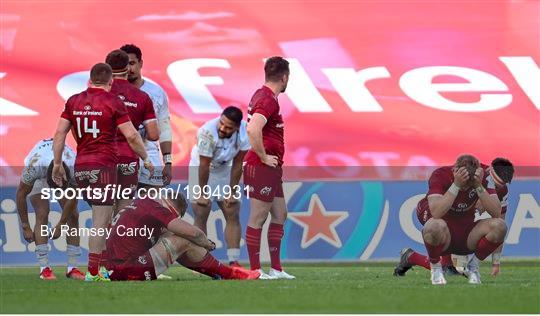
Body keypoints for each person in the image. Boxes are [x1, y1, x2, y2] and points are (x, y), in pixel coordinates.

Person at [52, 62, 154, 281]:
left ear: (90, 79)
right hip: (104, 167)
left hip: (81, 167)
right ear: (110, 82)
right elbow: (133, 135)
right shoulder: (113, 101)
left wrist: (58, 164)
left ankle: (104, 267)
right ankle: (94, 272)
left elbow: (59, 134)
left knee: (101, 219)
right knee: (101, 222)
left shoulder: (73, 101)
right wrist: (145, 158)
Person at [394, 157, 514, 278]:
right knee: (440, 225)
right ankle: (438, 263)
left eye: (498, 187)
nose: (494, 188)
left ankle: (412, 257)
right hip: (432, 210)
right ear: (488, 171)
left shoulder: (500, 189)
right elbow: (438, 211)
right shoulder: (465, 173)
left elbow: (500, 220)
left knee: (491, 224)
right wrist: (460, 186)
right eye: (493, 184)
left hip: (462, 214)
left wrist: (496, 262)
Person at [105, 194, 260, 281]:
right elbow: (194, 233)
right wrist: (207, 244)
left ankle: (219, 273)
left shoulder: (143, 202)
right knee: (184, 239)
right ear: (175, 211)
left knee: (178, 240)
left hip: (114, 270)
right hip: (128, 271)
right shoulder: (159, 209)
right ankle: (230, 274)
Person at [243, 56, 295, 279]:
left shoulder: (264, 95)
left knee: (280, 214)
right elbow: (253, 129)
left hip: (272, 169)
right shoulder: (268, 100)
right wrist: (263, 157)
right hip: (261, 166)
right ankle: (255, 270)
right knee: (258, 217)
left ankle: (276, 269)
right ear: (284, 77)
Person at [188, 106, 250, 267]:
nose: (223, 128)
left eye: (228, 127)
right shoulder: (207, 132)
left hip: (225, 169)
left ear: (237, 127)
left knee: (232, 211)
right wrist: (202, 193)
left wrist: (232, 191)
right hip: (200, 168)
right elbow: (204, 165)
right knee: (201, 212)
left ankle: (234, 260)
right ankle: (201, 262)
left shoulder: (245, 133)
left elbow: (238, 164)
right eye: (221, 123)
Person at [15, 138, 84, 280]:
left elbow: (73, 198)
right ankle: (44, 268)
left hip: (60, 170)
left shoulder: (74, 166)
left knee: (73, 215)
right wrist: (25, 226)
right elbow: (21, 194)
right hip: (41, 172)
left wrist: (61, 225)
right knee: (42, 213)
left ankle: (73, 268)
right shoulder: (34, 167)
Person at [105, 49, 159, 211]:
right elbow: (154, 135)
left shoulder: (98, 94)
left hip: (103, 158)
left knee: (102, 215)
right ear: (127, 68)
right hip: (128, 158)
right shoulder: (141, 97)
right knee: (123, 211)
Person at [120, 44, 173, 188]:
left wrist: (168, 162)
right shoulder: (112, 92)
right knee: (122, 204)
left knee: (153, 202)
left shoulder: (156, 92)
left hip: (150, 154)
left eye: (132, 63)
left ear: (140, 63)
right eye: (125, 65)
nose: (129, 69)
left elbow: (164, 129)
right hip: (121, 154)